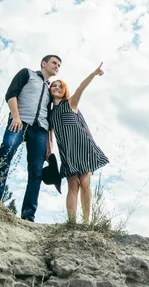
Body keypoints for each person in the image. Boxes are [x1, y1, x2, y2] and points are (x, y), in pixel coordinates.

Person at [0, 54, 62, 222]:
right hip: (19, 123)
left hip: (40, 131)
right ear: (44, 63)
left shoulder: (51, 89)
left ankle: (28, 215)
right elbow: (11, 94)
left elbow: (50, 118)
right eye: (54, 63)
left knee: (36, 172)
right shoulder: (27, 74)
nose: (57, 66)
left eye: (59, 65)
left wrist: (50, 145)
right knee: (5, 153)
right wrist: (16, 117)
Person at [48, 62, 109, 224]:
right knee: (72, 185)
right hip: (67, 152)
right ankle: (72, 223)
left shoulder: (71, 103)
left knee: (84, 182)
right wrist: (49, 150)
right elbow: (50, 133)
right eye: (54, 85)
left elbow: (81, 87)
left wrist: (93, 73)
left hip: (83, 147)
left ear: (64, 90)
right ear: (50, 89)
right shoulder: (50, 114)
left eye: (60, 86)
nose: (57, 87)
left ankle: (86, 221)